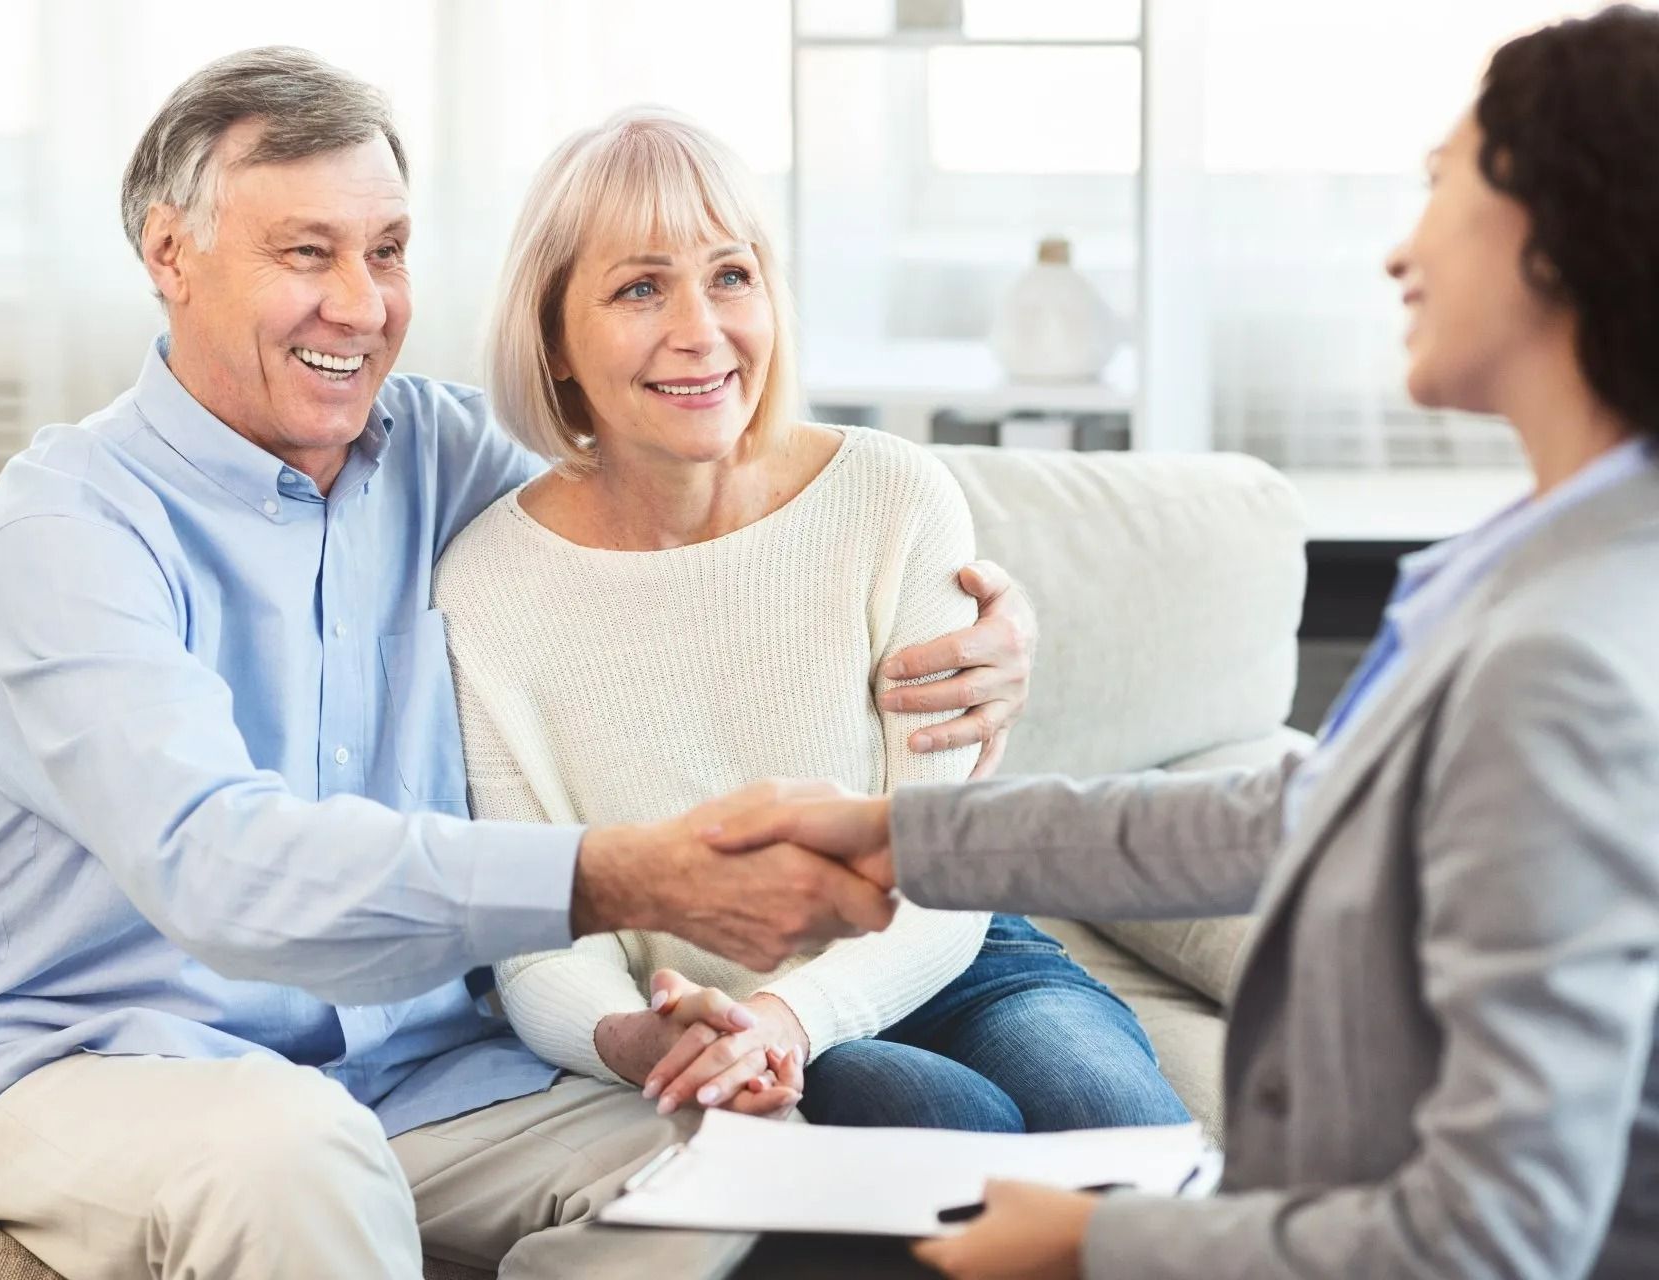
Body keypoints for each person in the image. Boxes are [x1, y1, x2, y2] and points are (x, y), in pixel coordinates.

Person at [0, 47, 1039, 1280]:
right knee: (293, 1151)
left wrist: (997, 630)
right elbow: (216, 867)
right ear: (170, 254)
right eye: (307, 252)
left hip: (431, 1074)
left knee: (749, 1175)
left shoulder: (447, 458)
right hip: (106, 1067)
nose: (363, 304)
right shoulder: (72, 524)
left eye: (385, 251)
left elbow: (696, 529)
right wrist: (621, 873)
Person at [705, 8, 1659, 1277]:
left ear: (1555, 225)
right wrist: (905, 833)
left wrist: (1104, 1239)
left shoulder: (1568, 658)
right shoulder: (1538, 565)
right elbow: (1288, 817)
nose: (1397, 250)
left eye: (1440, 185)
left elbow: (1490, 1236)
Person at [434, 108, 1187, 1137]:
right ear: (554, 338)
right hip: (707, 1015)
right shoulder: (485, 584)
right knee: (923, 1107)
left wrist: (788, 1013)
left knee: (1117, 1122)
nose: (701, 328)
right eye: (641, 286)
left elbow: (943, 867)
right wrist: (637, 1037)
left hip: (958, 956)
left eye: (731, 275)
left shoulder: (893, 495)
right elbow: (540, 937)